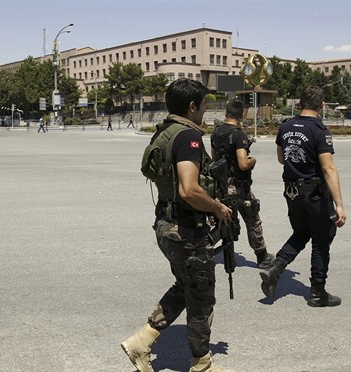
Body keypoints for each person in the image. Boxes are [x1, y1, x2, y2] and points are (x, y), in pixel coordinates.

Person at [121, 78, 234, 372]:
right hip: (187, 230)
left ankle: (140, 342)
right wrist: (218, 207)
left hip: (167, 225)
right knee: (201, 298)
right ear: (192, 106)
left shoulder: (164, 134)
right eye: (205, 104)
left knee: (185, 286)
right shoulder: (188, 138)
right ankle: (202, 364)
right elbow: (189, 189)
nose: (207, 110)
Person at [259, 85, 347, 307]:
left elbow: (282, 159)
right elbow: (328, 168)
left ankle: (275, 267)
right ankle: (318, 293)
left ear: (299, 104)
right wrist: (339, 204)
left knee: (300, 233)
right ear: (322, 105)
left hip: (292, 192)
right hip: (314, 193)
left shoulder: (286, 126)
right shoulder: (319, 130)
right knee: (321, 240)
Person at [210, 99, 274, 269]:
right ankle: (262, 257)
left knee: (224, 221)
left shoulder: (216, 132)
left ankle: (215, 251)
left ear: (226, 113)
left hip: (222, 186)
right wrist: (253, 160)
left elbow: (214, 160)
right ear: (242, 115)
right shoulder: (239, 135)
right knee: (252, 218)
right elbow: (243, 164)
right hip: (239, 187)